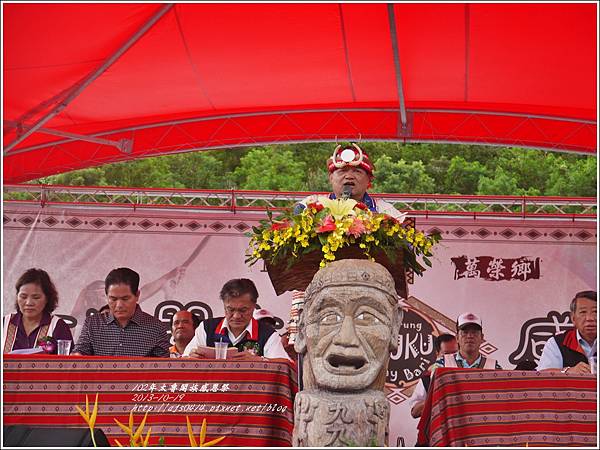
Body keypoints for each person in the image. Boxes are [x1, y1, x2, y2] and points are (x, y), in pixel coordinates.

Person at [293, 142, 405, 221]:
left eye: (357, 171)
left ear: (369, 179)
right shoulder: (310, 205)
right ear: (331, 178)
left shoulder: (386, 210)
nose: (349, 176)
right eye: (342, 171)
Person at [72, 267, 170, 357]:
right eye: (113, 299)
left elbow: (164, 368)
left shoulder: (156, 328)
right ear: (106, 296)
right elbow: (79, 353)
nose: (119, 305)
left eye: (125, 299)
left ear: (137, 295)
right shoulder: (92, 324)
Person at [183, 279, 290, 360]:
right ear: (224, 306)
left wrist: (258, 361)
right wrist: (192, 358)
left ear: (254, 307)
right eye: (230, 310)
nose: (236, 316)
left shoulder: (267, 334)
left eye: (243, 310)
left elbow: (285, 366)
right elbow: (183, 361)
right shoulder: (206, 328)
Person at [3, 268, 73, 353]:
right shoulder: (4, 323)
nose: (29, 303)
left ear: (47, 298)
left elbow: (69, 363)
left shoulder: (58, 326)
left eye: (36, 297)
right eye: (23, 297)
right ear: (17, 297)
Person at [537, 290, 597, 374]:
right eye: (583, 312)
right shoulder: (557, 342)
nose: (589, 318)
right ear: (573, 318)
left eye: (596, 312)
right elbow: (542, 374)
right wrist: (568, 371)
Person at [408, 333, 458, 418]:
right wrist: (436, 397)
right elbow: (415, 412)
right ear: (437, 354)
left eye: (454, 354)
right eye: (446, 354)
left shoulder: (468, 374)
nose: (451, 358)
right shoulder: (427, 379)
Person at [431, 312, 502, 371]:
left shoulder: (494, 368)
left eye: (474, 332)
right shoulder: (441, 364)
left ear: (482, 338)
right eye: (465, 332)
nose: (470, 336)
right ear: (457, 337)